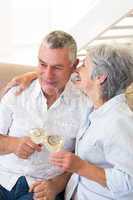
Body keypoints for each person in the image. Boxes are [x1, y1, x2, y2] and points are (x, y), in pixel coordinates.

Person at [0, 31, 90, 200]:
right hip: (3, 179)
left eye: (57, 67)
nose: (48, 76)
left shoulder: (85, 105)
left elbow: (84, 161)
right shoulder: (17, 92)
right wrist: (13, 144)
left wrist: (56, 186)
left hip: (41, 189)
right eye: (42, 64)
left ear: (74, 65)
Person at [49, 44, 133, 200]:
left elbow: (130, 183)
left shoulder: (119, 122)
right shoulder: (93, 106)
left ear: (100, 77)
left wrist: (81, 166)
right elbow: (53, 77)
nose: (78, 69)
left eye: (84, 65)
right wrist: (28, 76)